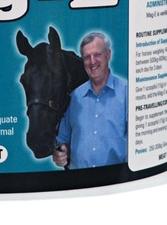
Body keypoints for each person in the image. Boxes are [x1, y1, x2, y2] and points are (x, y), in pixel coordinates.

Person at [53, 32, 127, 169]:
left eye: (97, 55)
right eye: (87, 57)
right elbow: (63, 141)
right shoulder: (74, 98)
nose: (92, 62)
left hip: (116, 178)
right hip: (78, 178)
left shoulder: (127, 93)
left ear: (108, 55)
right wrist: (61, 154)